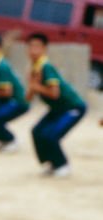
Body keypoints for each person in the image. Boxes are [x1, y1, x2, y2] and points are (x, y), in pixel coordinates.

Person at [25, 32, 87, 178]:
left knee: (51, 135)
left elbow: (54, 93)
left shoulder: (46, 67)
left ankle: (62, 165)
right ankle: (51, 163)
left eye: (37, 46)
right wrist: (32, 88)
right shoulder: (33, 68)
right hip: (58, 109)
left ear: (44, 49)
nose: (33, 50)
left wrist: (36, 87)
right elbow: (29, 96)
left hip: (73, 107)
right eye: (31, 46)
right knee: (37, 131)